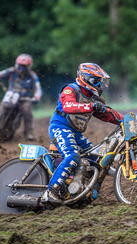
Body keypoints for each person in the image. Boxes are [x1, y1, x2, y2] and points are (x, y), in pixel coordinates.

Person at [42, 63, 124, 203]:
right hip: (60, 128)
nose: (99, 85)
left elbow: (108, 114)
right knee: (72, 155)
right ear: (85, 78)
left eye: (101, 82)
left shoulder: (95, 98)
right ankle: (50, 192)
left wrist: (126, 120)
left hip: (76, 134)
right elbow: (68, 106)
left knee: (97, 159)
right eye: (96, 81)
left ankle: (78, 189)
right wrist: (90, 106)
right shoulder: (71, 89)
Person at [0, 54, 42, 141]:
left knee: (27, 111)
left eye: (24, 67)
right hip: (11, 95)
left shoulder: (32, 76)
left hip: (24, 99)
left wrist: (36, 97)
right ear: (16, 64)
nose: (21, 69)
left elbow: (38, 89)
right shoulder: (11, 71)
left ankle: (29, 132)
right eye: (20, 66)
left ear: (29, 67)